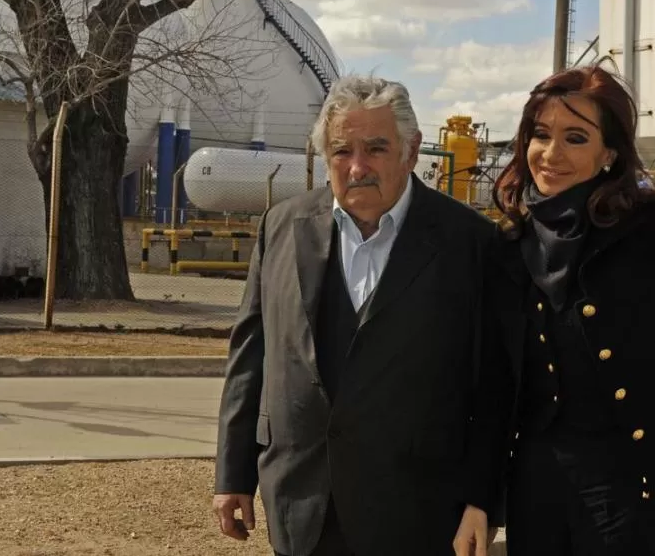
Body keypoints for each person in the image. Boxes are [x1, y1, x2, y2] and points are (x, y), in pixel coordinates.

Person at [213, 75, 513, 556]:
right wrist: (233, 474)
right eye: (340, 151)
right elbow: (251, 358)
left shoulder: (471, 244)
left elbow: (493, 387)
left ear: (411, 152)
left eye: (375, 149)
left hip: (420, 509)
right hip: (300, 500)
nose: (357, 168)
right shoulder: (281, 227)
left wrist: (482, 500)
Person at [491, 64, 655, 555]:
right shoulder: (511, 239)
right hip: (536, 479)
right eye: (540, 135)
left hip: (630, 475)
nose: (552, 154)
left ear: (609, 153)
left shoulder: (650, 226)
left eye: (575, 138)